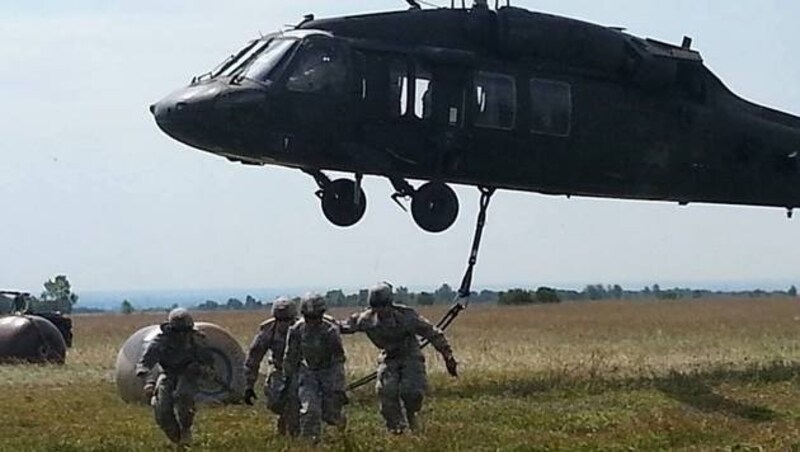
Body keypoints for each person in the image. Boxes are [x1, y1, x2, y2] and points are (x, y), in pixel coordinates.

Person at [340, 282, 458, 433]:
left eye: (383, 305)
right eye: (376, 306)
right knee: (386, 392)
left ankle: (412, 415)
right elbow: (341, 327)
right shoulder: (365, 319)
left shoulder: (406, 317)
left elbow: (432, 333)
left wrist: (448, 356)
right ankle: (397, 430)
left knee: (412, 392)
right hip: (388, 358)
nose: (380, 310)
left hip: (410, 356)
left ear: (390, 304)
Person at [136, 308, 214, 447]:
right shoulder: (160, 342)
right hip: (168, 373)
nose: (182, 335)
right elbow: (144, 365)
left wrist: (201, 368)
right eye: (178, 331)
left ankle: (185, 431)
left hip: (189, 373)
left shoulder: (196, 339)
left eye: (185, 330)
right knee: (162, 409)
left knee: (183, 397)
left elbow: (209, 360)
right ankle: (176, 439)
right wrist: (148, 382)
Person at [283, 294, 347, 441]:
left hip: (328, 372)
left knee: (331, 414)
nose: (312, 321)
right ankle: (310, 443)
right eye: (308, 317)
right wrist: (288, 380)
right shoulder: (296, 330)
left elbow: (339, 359)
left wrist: (338, 385)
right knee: (310, 409)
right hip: (308, 373)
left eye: (315, 317)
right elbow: (291, 356)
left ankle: (340, 433)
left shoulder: (330, 331)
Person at [243, 297, 300, 436]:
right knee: (275, 402)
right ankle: (285, 423)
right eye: (280, 320)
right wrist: (249, 385)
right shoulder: (268, 331)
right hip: (278, 367)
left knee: (294, 401)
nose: (283, 324)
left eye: (287, 320)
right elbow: (254, 358)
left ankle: (295, 436)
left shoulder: (302, 328)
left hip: (300, 369)